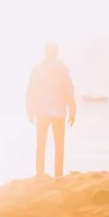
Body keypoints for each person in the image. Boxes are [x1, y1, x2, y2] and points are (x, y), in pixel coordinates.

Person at [26, 42, 76, 178]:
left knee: (40, 145)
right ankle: (58, 176)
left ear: (45, 52)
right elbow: (69, 90)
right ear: (57, 52)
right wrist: (72, 110)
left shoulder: (38, 69)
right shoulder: (63, 69)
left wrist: (30, 110)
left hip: (42, 111)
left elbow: (31, 90)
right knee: (59, 146)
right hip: (59, 112)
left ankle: (39, 175)